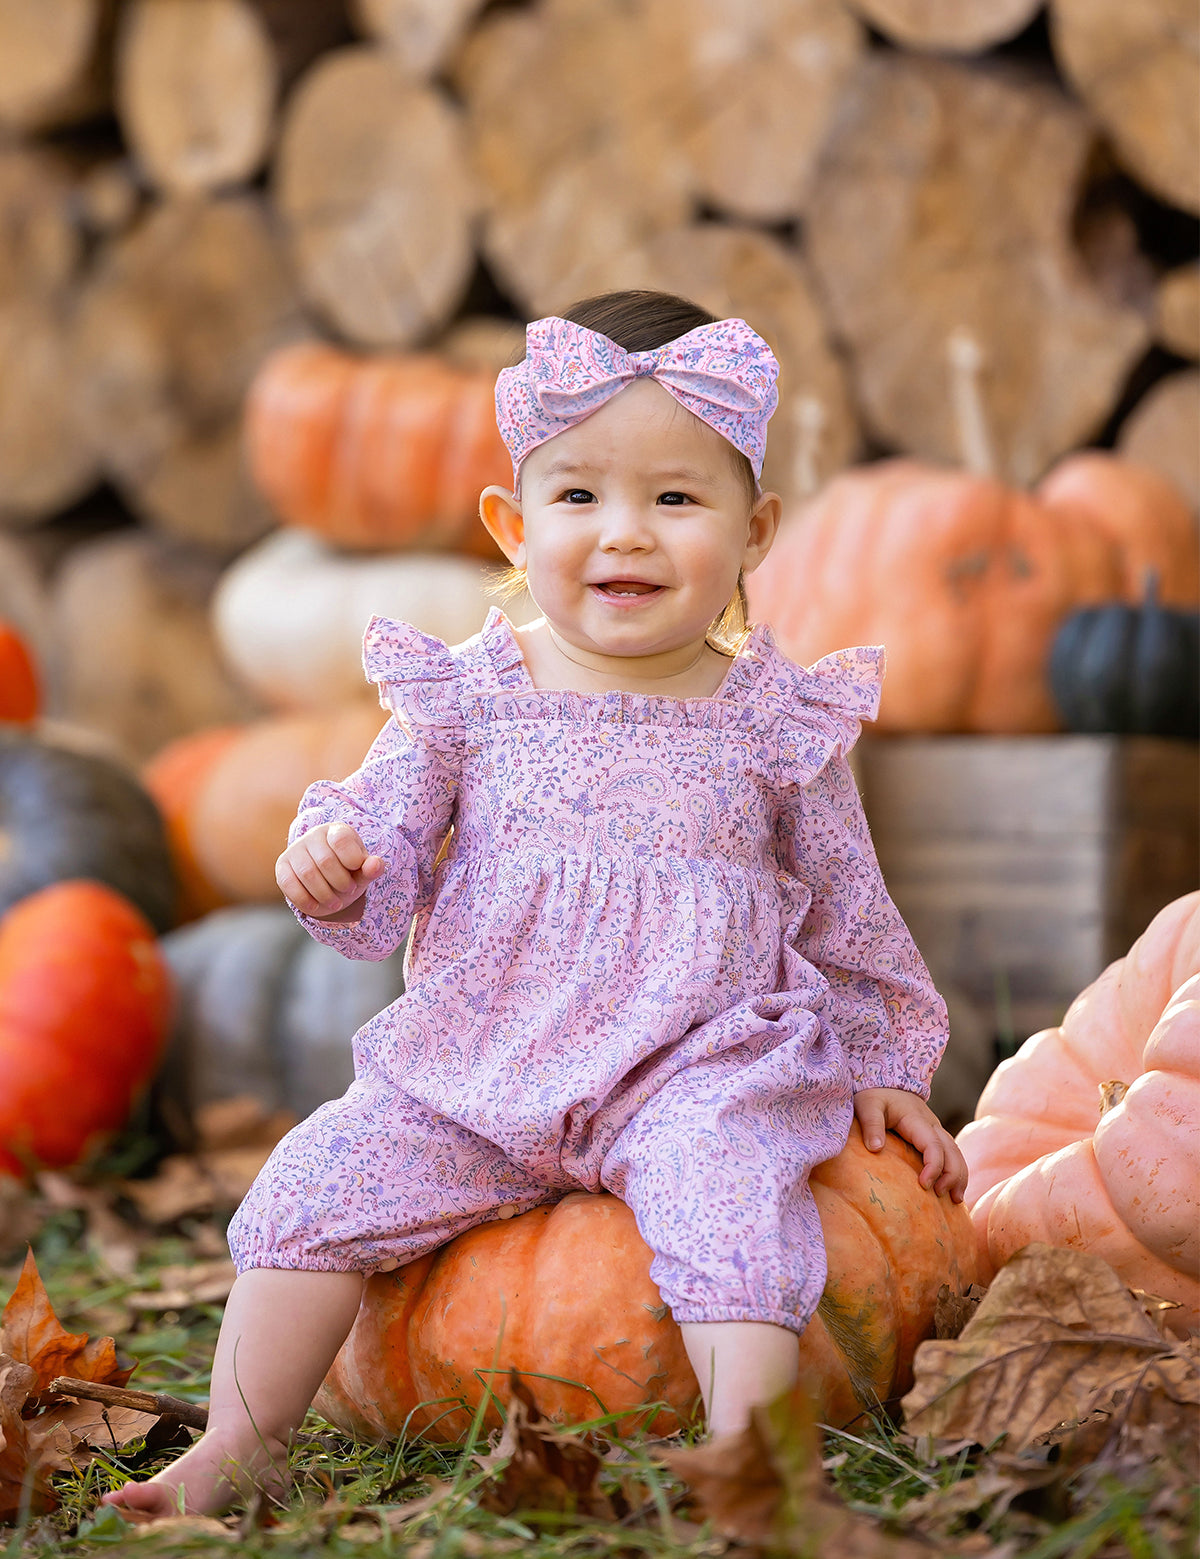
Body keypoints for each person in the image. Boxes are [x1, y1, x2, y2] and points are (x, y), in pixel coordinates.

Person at [104, 289, 967, 1518]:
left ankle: (758, 1462)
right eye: (580, 496)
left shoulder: (776, 718)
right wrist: (338, 863)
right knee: (311, 1188)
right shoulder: (464, 697)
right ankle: (237, 1442)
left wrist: (883, 1054)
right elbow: (380, 831)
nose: (627, 533)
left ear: (754, 530)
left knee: (735, 1204)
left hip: (695, 1057)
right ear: (512, 524)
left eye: (677, 497)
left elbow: (846, 905)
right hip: (476, 1058)